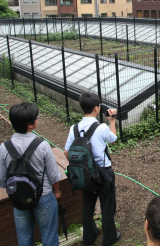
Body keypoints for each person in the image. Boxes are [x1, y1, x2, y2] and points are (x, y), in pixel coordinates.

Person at [0, 103, 61, 246]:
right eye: (37, 117)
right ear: (30, 125)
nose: (38, 119)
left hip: (19, 199)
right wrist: (56, 191)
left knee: (24, 238)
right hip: (43, 197)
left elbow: (1, 180)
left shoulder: (4, 147)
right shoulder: (42, 145)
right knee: (49, 236)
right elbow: (54, 176)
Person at [64, 92, 121, 246]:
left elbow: (67, 151)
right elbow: (114, 139)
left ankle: (89, 236)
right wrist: (112, 120)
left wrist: (82, 166)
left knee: (87, 206)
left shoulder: (74, 128)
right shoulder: (101, 127)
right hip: (103, 173)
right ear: (96, 108)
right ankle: (109, 237)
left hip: (84, 174)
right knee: (107, 205)